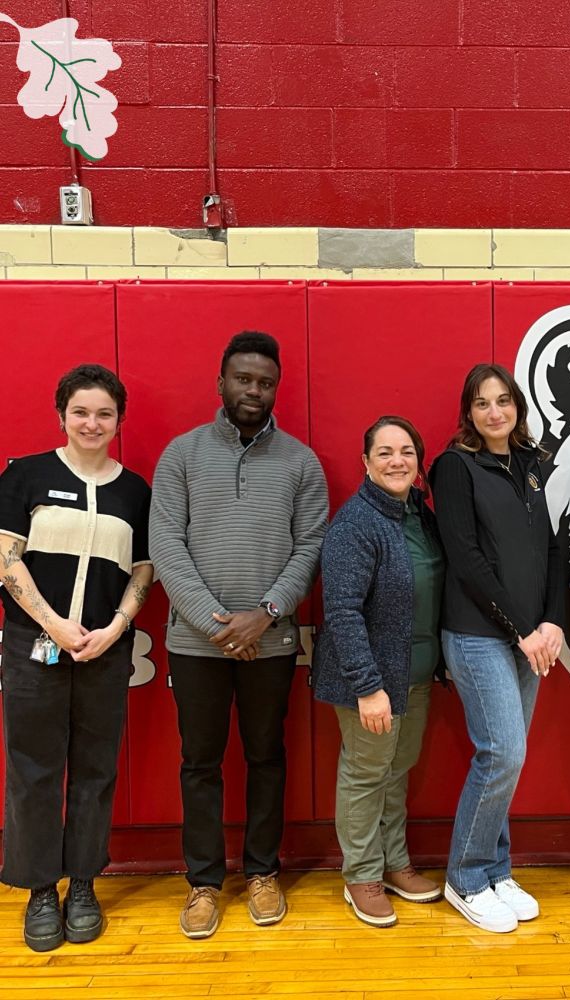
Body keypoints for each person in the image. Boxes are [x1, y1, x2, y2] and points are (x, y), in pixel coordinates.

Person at [149, 330, 328, 939]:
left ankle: (262, 872)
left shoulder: (301, 463)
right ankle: (203, 882)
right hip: (195, 645)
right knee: (199, 762)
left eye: (265, 382)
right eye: (243, 379)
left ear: (277, 389)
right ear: (221, 382)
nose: (254, 390)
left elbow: (310, 546)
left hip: (270, 642)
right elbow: (166, 545)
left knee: (266, 758)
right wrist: (218, 625)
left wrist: (266, 612)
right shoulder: (181, 455)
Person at [0, 364, 152, 952]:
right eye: (81, 412)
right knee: (33, 769)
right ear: (61, 415)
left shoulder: (134, 491)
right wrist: (53, 624)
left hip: (105, 651)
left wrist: (116, 626)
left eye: (104, 413)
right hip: (33, 646)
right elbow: (6, 558)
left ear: (119, 420)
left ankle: (84, 882)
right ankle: (41, 888)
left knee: (95, 769)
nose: (92, 423)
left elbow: (143, 569)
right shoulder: (25, 475)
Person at [429, 363, 564, 933]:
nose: (494, 412)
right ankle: (465, 877)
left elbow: (551, 549)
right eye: (482, 403)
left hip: (530, 637)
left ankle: (495, 869)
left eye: (503, 400)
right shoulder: (455, 466)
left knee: (509, 758)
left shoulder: (531, 464)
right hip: (479, 636)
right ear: (469, 411)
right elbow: (466, 558)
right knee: (502, 753)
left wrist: (553, 621)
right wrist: (522, 629)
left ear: (517, 407)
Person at [313, 416, 444, 927]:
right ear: (365, 462)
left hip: (415, 674)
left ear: (419, 461)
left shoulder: (420, 516)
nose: (397, 461)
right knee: (367, 775)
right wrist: (368, 687)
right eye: (384, 452)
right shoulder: (356, 523)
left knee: (397, 771)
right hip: (371, 682)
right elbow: (342, 611)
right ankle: (362, 875)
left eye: (406, 451)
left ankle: (394, 864)